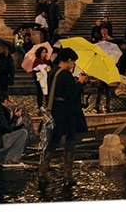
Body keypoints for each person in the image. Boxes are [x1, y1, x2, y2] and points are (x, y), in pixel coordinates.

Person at [38, 47, 88, 187]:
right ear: (69, 60)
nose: (73, 65)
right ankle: (68, 174)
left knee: (53, 140)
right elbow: (71, 95)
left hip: (55, 108)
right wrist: (80, 82)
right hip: (67, 112)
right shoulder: (65, 74)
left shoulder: (53, 72)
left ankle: (42, 171)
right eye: (73, 62)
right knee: (70, 140)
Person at [0, 90, 30, 167]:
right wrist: (15, 117)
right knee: (23, 133)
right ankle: (11, 159)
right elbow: (7, 129)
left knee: (16, 134)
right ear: (5, 101)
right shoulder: (0, 112)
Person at [29, 45, 51, 111]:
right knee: (40, 91)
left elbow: (50, 66)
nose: (44, 54)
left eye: (45, 52)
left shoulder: (45, 60)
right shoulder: (37, 60)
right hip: (40, 77)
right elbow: (35, 69)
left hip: (46, 77)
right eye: (43, 52)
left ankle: (48, 103)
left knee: (47, 90)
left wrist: (48, 61)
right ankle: (40, 105)